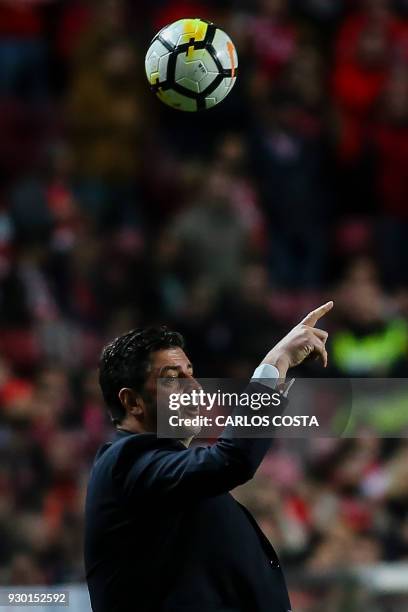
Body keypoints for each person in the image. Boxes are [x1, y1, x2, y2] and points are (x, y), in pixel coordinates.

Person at [84, 301, 333, 612]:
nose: (195, 387)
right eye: (173, 377)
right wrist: (273, 364)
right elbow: (233, 459)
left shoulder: (166, 474)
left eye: (192, 373)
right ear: (133, 401)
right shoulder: (125, 460)